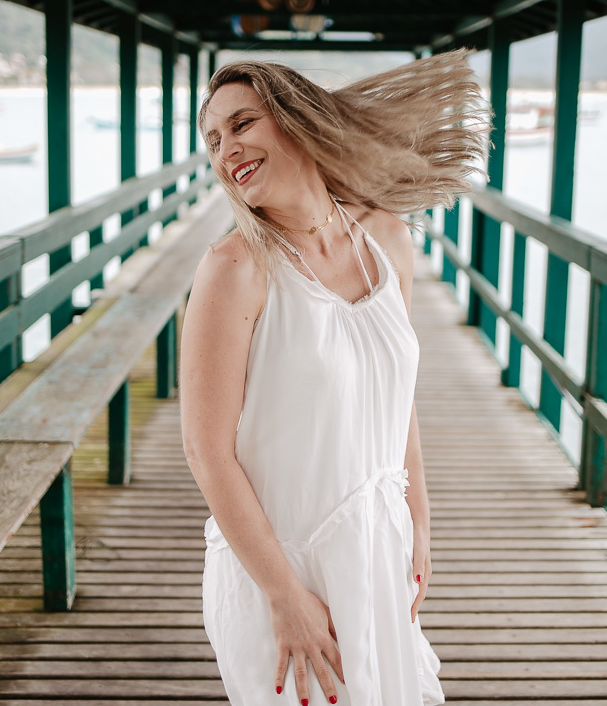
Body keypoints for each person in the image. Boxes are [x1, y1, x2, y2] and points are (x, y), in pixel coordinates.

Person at [180, 50, 489, 706]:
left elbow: (396, 398)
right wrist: (284, 596)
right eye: (213, 139)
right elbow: (206, 453)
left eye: (241, 124)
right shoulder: (234, 268)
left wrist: (420, 522)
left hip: (377, 557)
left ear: (296, 119)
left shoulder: (384, 238)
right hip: (281, 570)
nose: (226, 149)